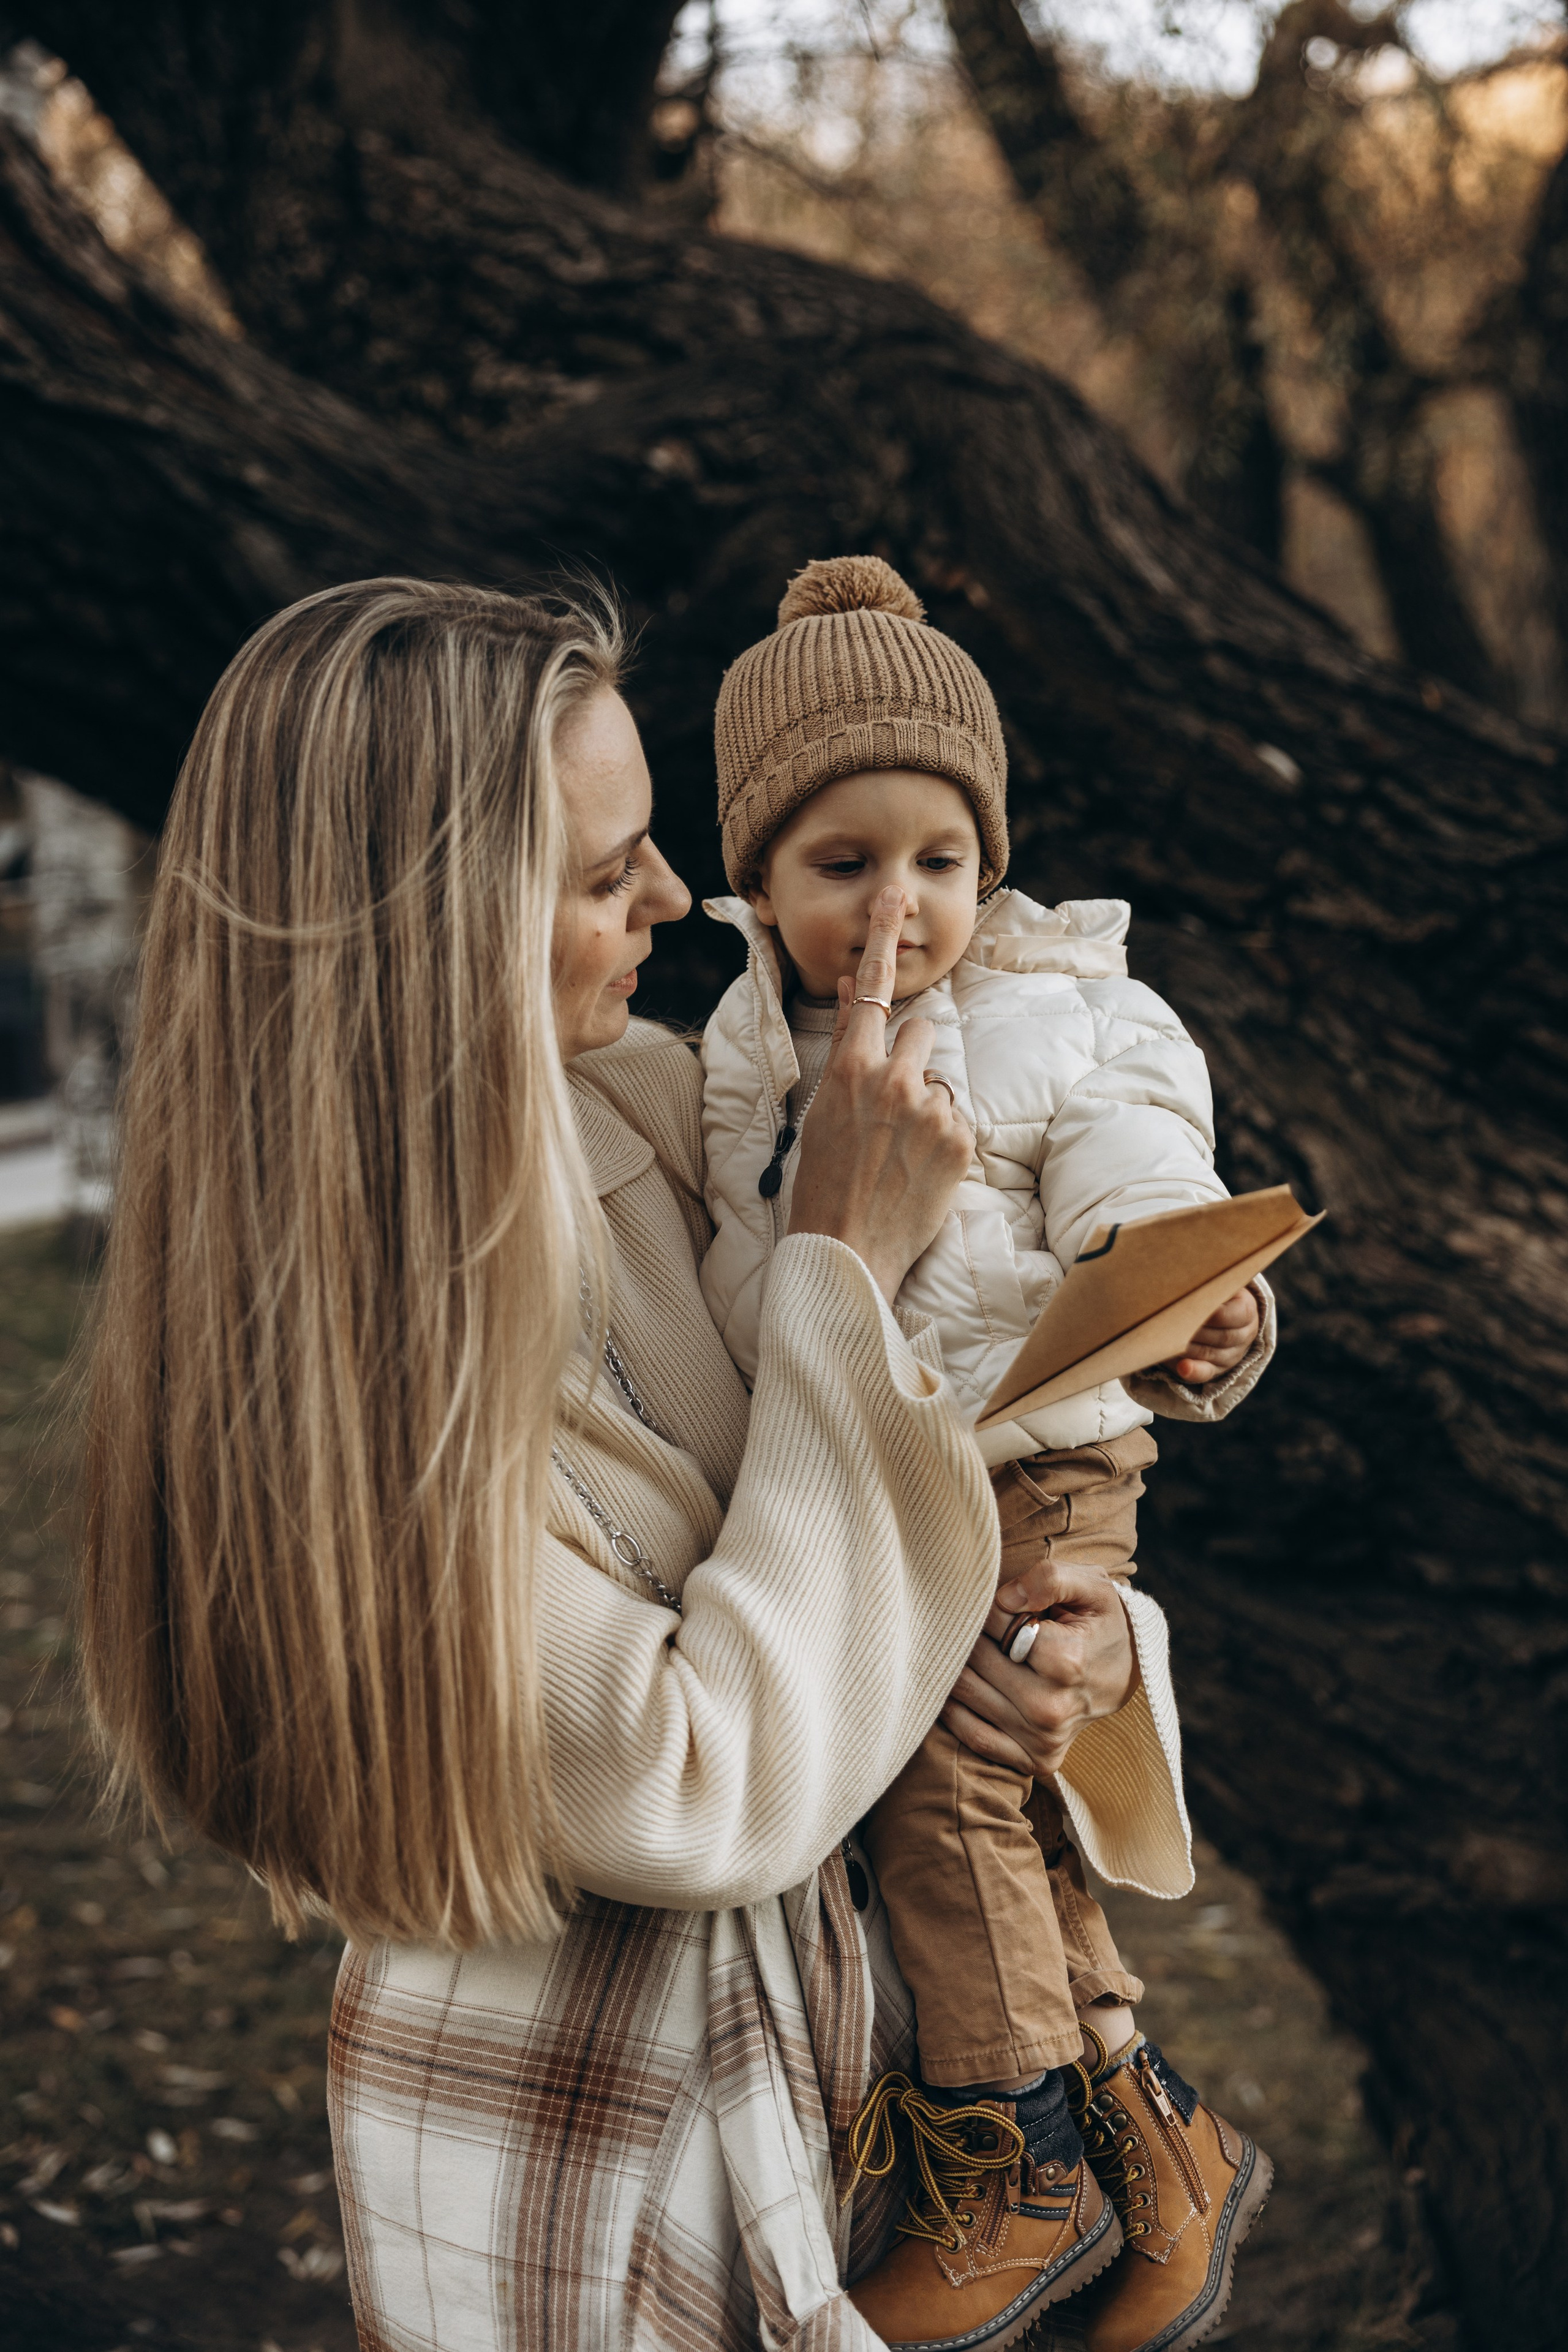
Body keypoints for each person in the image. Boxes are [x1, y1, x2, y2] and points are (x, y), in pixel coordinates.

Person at [78, 576, 1191, 2352]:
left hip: (872, 2077)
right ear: (433, 928)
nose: (680, 900)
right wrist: (840, 1269)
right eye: (607, 875)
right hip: (582, 2131)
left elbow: (959, 1460)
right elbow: (702, 1783)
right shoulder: (353, 1362)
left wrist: (1088, 1650)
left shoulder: (666, 1111)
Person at [699, 556, 1276, 2352]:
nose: (900, 909)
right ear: (759, 882)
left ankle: (1018, 2170)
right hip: (886, 1468)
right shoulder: (741, 1057)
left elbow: (1139, 1166)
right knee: (997, 1817)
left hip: (1038, 1461)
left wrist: (1190, 1296)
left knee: (949, 1790)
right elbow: (743, 1276)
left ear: (993, 864)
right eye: (843, 866)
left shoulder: (1062, 1005)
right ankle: (1156, 2141)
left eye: (939, 862)